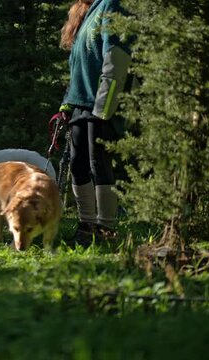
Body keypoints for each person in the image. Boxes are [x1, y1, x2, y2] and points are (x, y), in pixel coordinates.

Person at [57, 0, 132, 246]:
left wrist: (105, 106)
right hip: (79, 104)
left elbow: (116, 58)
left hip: (100, 103)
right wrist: (66, 104)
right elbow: (77, 67)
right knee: (78, 165)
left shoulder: (112, 5)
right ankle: (86, 226)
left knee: (98, 162)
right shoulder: (87, 12)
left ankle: (105, 228)